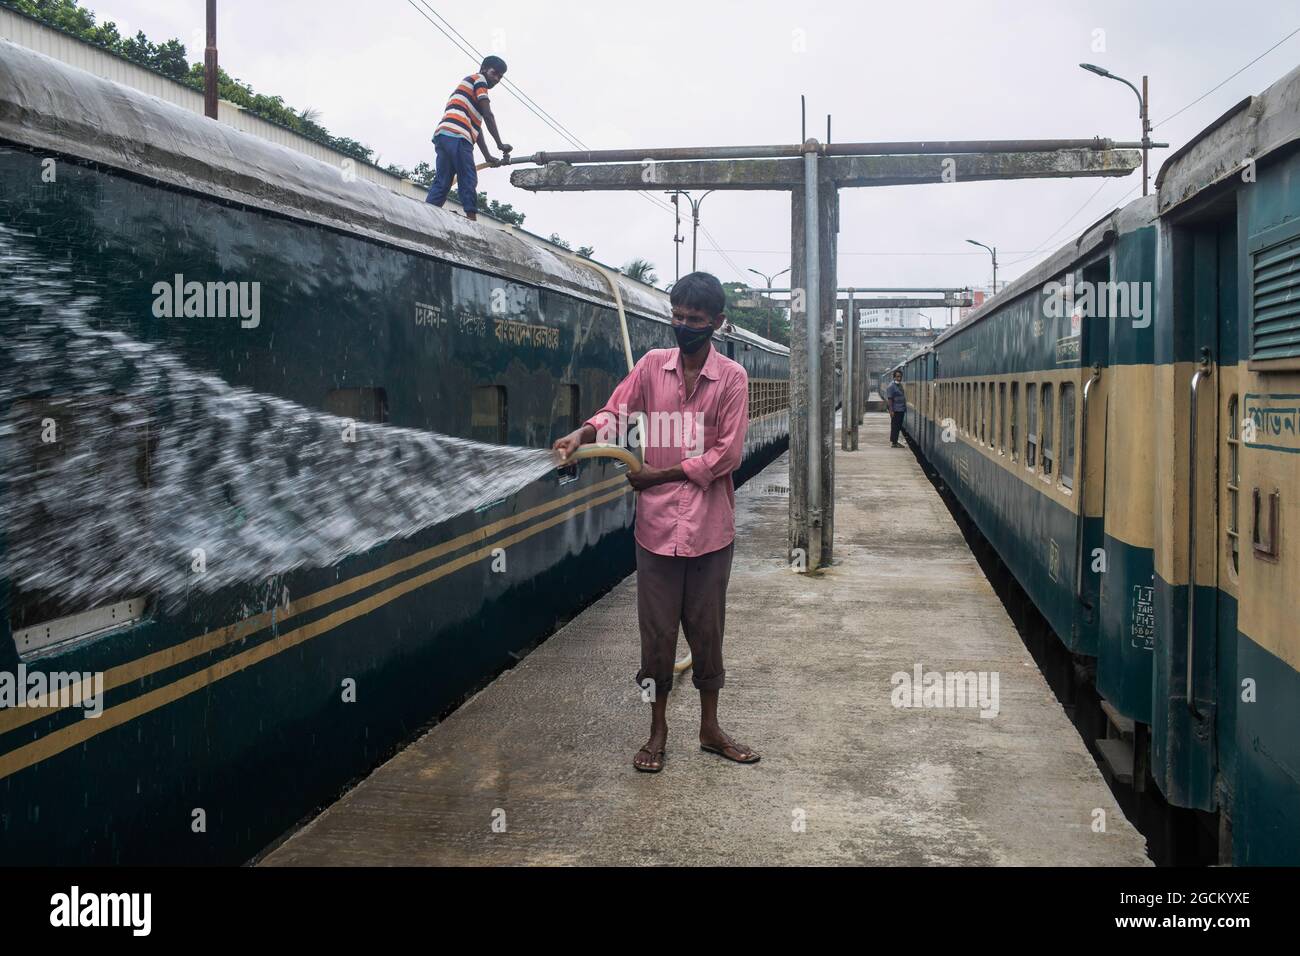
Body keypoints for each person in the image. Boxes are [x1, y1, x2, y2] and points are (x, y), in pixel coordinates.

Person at [552, 272, 759, 774]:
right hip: (656, 533)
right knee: (657, 637)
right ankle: (657, 731)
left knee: (707, 635)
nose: (683, 325)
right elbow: (615, 413)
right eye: (678, 316)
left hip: (710, 533)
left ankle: (710, 729)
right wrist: (581, 435)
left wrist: (656, 475)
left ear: (716, 323)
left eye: (694, 319)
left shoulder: (732, 378)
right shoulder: (650, 367)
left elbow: (726, 455)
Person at [425, 56, 512, 221]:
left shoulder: (470, 91)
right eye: (495, 73)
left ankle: (427, 215)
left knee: (442, 182)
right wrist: (500, 145)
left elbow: (476, 130)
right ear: (484, 68)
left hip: (443, 134)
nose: (497, 79)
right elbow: (488, 115)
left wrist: (487, 156)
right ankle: (472, 220)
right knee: (468, 177)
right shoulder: (479, 81)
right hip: (458, 135)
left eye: (500, 77)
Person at [886, 369, 906, 447]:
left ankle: (895, 441)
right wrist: (891, 411)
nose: (899, 378)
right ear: (894, 377)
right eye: (897, 377)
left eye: (900, 377)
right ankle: (894, 443)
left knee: (898, 426)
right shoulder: (891, 386)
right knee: (895, 426)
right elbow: (890, 399)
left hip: (901, 409)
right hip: (896, 410)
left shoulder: (899, 385)